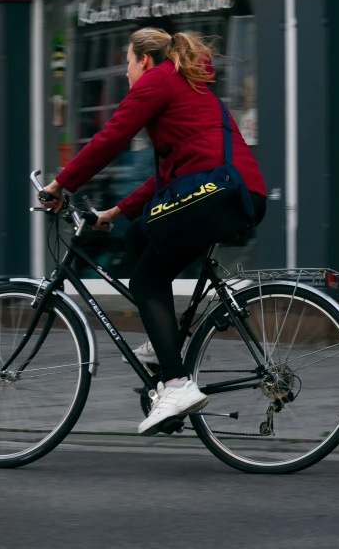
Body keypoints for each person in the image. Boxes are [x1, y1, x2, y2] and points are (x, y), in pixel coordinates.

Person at [41, 28, 267, 435]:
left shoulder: (159, 80)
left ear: (144, 60)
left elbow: (111, 137)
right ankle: (168, 347)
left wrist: (61, 184)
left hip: (212, 194)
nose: (127, 73)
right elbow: (166, 177)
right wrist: (114, 211)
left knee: (145, 278)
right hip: (237, 192)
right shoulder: (191, 88)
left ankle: (176, 383)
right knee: (139, 235)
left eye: (127, 62)